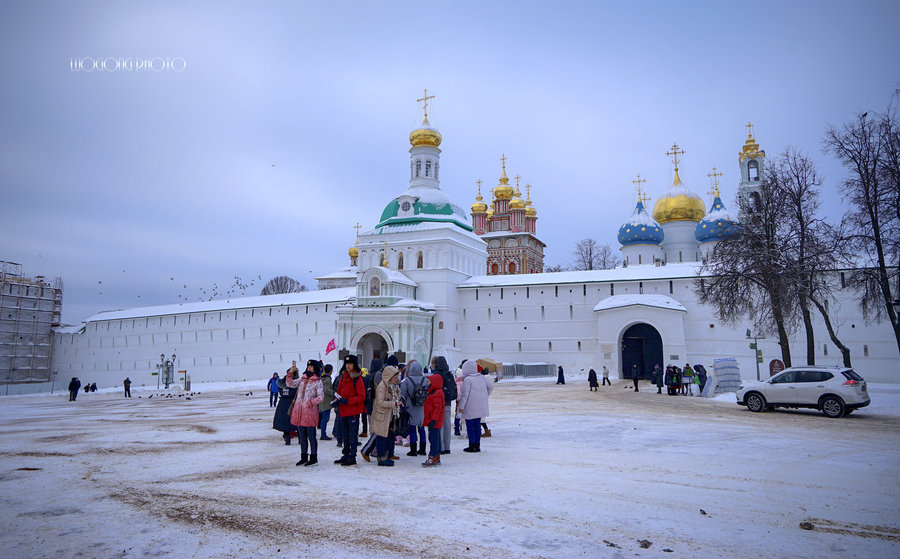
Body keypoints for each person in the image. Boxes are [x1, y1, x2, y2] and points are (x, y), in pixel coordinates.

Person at [287, 360, 324, 466]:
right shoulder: (302, 379)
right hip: (299, 412)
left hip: (310, 413)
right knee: (302, 437)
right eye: (308, 366)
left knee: (311, 436)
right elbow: (290, 384)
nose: (309, 368)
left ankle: (313, 457)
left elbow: (321, 397)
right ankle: (304, 456)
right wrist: (290, 373)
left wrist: (310, 402)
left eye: (312, 367)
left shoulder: (318, 381)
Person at [334, 355, 366, 466]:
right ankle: (346, 454)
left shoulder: (358, 378)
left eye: (350, 364)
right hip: (343, 411)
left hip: (352, 412)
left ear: (354, 365)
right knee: (345, 434)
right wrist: (336, 400)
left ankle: (352, 456)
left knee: (352, 435)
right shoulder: (343, 377)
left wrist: (347, 401)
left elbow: (362, 396)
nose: (348, 366)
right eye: (347, 363)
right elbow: (338, 392)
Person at [458, 359, 493, 453]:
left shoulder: (468, 380)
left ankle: (471, 445)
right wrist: (486, 395)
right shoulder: (481, 377)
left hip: (470, 406)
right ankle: (477, 445)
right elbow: (491, 386)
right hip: (480, 405)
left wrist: (461, 408)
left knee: (470, 425)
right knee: (477, 425)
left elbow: (464, 395)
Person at [371, 364, 402, 466]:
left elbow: (396, 397)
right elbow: (380, 402)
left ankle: (385, 456)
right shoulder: (382, 387)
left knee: (387, 437)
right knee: (381, 437)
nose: (396, 380)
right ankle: (381, 458)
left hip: (390, 416)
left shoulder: (393, 386)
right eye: (394, 378)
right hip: (382, 416)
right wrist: (393, 404)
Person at [401, 360, 429, 457]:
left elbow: (402, 394)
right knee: (421, 428)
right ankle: (423, 449)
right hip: (421, 407)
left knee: (412, 428)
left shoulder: (407, 380)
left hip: (410, 407)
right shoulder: (425, 380)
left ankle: (413, 450)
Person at [431, 356, 456, 455]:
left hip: (438, 402)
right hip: (448, 403)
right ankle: (447, 447)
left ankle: (440, 447)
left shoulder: (437, 375)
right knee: (447, 425)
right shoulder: (449, 374)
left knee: (439, 425)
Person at [422, 370, 445, 467]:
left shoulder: (437, 393)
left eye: (429, 382)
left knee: (433, 438)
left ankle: (433, 456)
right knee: (435, 437)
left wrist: (434, 420)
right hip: (433, 420)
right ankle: (436, 456)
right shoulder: (434, 392)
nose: (428, 384)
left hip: (434, 421)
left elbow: (437, 408)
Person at [273, 367, 299, 445]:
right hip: (293, 403)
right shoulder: (296, 382)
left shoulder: (281, 382)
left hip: (283, 403)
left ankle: (287, 438)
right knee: (297, 422)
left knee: (285, 422)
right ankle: (301, 439)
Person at [319, 364, 334, 440]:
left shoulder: (322, 378)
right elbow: (327, 390)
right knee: (325, 419)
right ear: (331, 371)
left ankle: (322, 433)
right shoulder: (327, 380)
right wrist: (334, 393)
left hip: (321, 401)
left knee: (323, 419)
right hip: (326, 401)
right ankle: (323, 434)